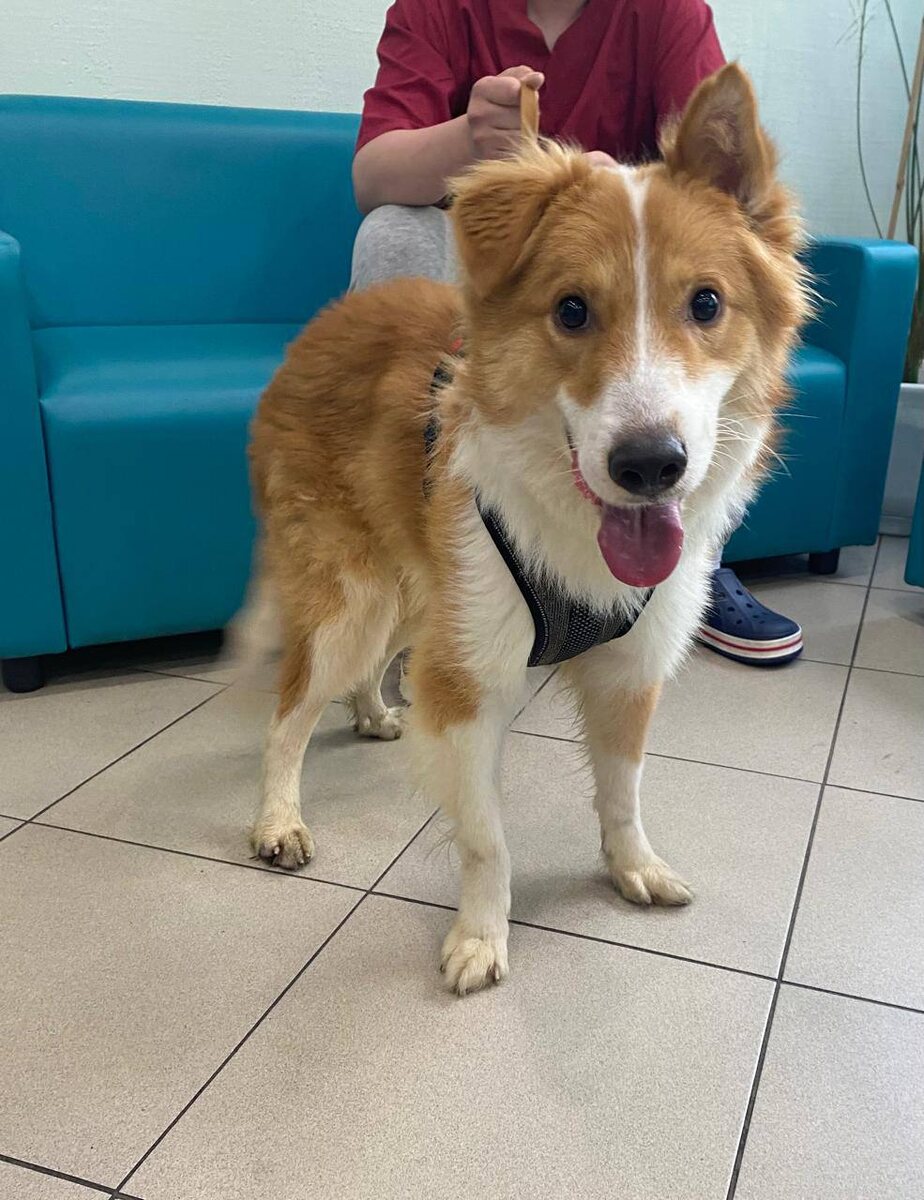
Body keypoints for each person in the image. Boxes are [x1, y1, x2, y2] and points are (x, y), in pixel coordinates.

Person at [350, 0, 804, 667]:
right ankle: (426, 533)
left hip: (643, 261)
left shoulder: (665, 12)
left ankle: (697, 557)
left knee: (691, 293)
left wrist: (609, 195)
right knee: (391, 229)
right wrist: (471, 138)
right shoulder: (438, 9)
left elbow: (710, 178)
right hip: (504, 265)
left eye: (706, 306)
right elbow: (373, 178)